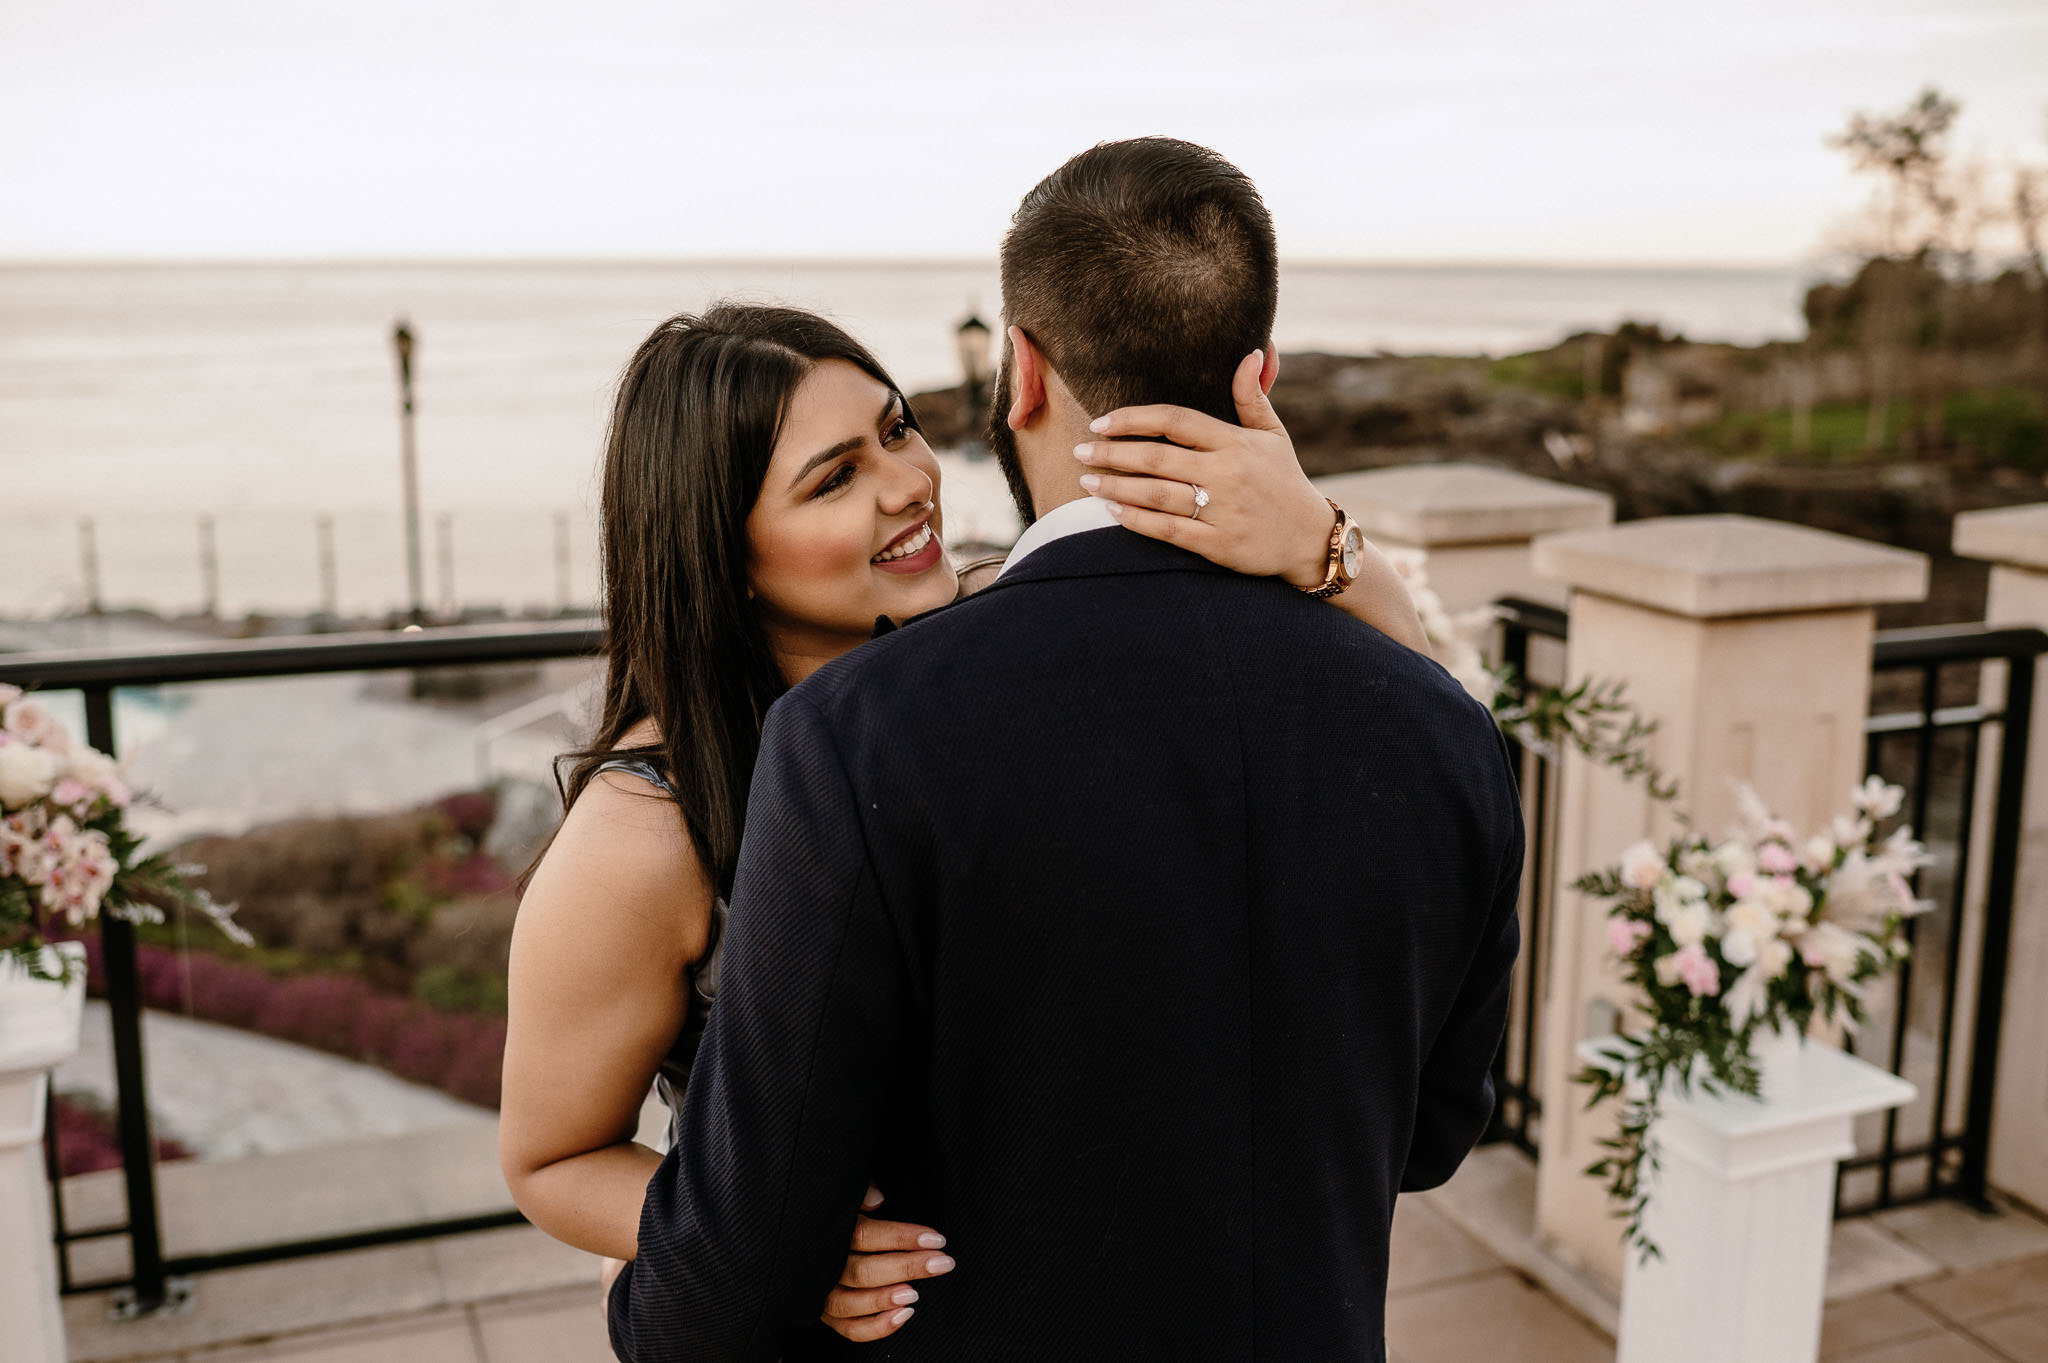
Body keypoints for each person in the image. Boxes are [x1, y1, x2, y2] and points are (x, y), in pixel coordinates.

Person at [607, 138, 1524, 1362]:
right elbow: (1427, 1134)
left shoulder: (856, 735)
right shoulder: (1443, 731)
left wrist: (662, 1299)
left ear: (1020, 370)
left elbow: (718, 1279)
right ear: (1262, 376)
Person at [499, 301, 1433, 1342]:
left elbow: (1425, 716)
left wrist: (1318, 539)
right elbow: (549, 1157)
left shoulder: (1007, 626)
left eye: (896, 430)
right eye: (834, 477)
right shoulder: (645, 828)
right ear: (719, 547)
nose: (909, 482)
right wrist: (774, 1241)